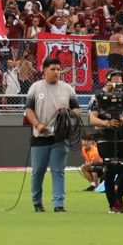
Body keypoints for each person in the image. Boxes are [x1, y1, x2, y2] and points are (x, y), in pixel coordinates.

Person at [24, 58, 78, 212]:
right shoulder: (35, 88)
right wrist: (37, 124)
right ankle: (37, 201)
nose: (56, 72)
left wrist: (67, 113)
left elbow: (77, 110)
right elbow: (29, 110)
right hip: (40, 137)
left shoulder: (68, 89)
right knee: (38, 171)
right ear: (44, 70)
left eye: (59, 69)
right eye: (53, 69)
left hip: (60, 137)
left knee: (58, 171)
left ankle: (59, 203)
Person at [89, 68, 123, 213]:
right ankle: (113, 204)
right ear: (108, 80)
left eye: (120, 78)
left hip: (121, 137)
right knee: (110, 170)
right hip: (105, 138)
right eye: (115, 78)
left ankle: (119, 195)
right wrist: (107, 123)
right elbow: (92, 118)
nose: (118, 80)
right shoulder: (98, 96)